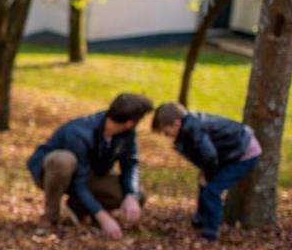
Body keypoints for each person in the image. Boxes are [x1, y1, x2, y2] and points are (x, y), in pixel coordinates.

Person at [26, 93, 154, 239]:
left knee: (138, 195)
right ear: (131, 122)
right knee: (63, 161)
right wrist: (103, 217)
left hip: (90, 174)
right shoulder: (78, 133)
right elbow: (78, 183)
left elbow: (130, 164)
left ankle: (79, 207)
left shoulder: (127, 134)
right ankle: (50, 218)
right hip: (52, 172)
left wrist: (131, 195)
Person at [151, 102, 261, 241]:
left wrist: (208, 175)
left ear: (176, 123)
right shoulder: (190, 126)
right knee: (204, 184)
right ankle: (201, 219)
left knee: (212, 189)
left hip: (243, 153)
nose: (167, 136)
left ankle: (211, 232)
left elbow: (209, 154)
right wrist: (205, 171)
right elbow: (205, 153)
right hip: (229, 152)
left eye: (167, 132)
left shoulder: (193, 129)